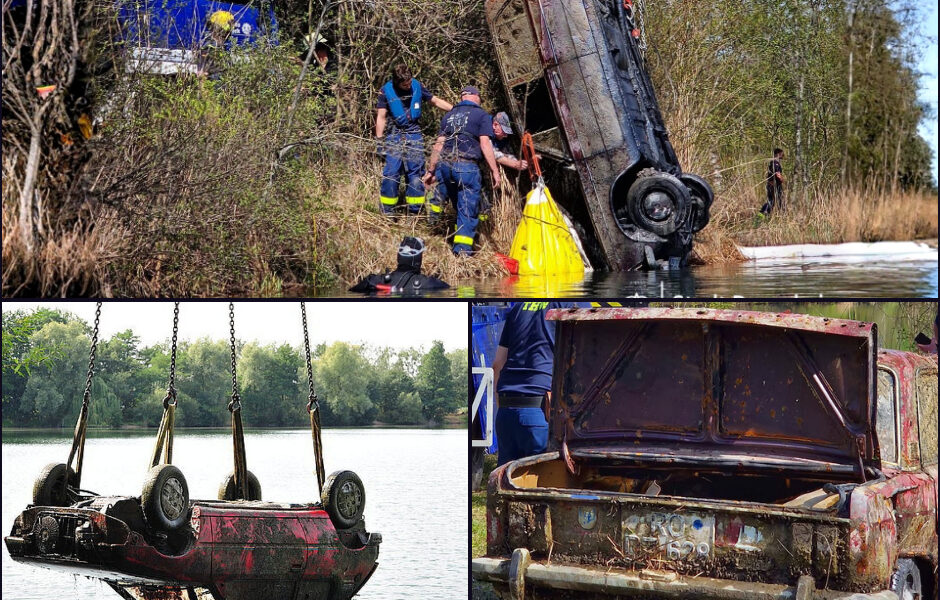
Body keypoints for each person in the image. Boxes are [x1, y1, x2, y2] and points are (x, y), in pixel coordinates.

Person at [492, 301, 590, 466]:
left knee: (506, 483)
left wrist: (500, 404)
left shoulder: (518, 307)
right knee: (540, 480)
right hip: (539, 411)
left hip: (505, 411)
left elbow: (497, 364)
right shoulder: (571, 303)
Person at [423, 85, 501, 255]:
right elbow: (485, 144)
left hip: (445, 167)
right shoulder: (481, 115)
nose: (480, 100)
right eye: (479, 97)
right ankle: (463, 254)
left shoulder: (449, 116)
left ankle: (447, 239)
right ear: (474, 96)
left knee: (459, 207)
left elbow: (438, 145)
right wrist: (495, 170)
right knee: (467, 209)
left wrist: (431, 171)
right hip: (466, 166)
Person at [375, 64, 452, 216]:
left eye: (410, 81)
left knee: (416, 174)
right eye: (405, 84)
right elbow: (381, 117)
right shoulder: (386, 91)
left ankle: (415, 213)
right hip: (394, 134)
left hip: (414, 134)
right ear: (397, 82)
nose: (409, 85)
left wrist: (456, 108)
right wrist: (379, 140)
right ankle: (387, 212)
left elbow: (435, 101)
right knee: (391, 173)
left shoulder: (417, 86)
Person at [349, 236, 449, 294]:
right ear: (418, 258)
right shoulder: (429, 283)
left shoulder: (375, 280)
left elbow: (352, 291)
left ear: (398, 256)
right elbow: (448, 288)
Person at [760, 148, 785, 216]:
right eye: (782, 153)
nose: (783, 155)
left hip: (772, 185)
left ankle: (763, 214)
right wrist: (782, 180)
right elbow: (777, 174)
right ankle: (782, 215)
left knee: (772, 201)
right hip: (774, 185)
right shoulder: (775, 163)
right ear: (778, 154)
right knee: (776, 200)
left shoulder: (772, 162)